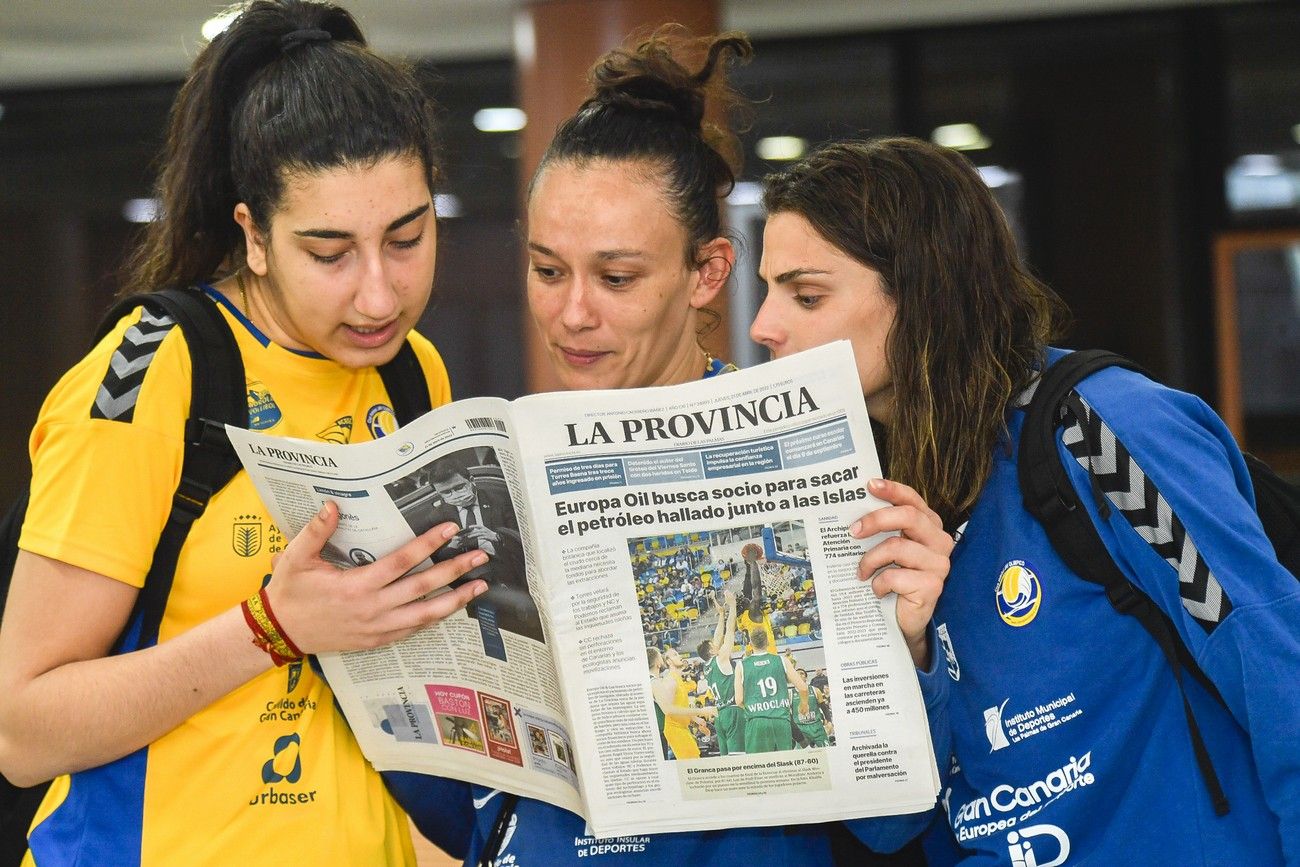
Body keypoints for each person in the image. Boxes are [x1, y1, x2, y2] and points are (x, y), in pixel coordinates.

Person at [410, 28, 950, 867]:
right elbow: (455, 809)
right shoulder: (496, 474)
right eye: (548, 271)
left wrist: (908, 645)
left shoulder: (824, 457)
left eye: (616, 278)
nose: (573, 313)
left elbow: (896, 821)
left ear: (707, 273)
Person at [0, 2, 490, 863]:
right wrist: (273, 624)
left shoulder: (415, 373)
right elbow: (23, 730)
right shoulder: (158, 373)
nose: (379, 294)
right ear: (254, 236)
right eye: (329, 253)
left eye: (407, 238)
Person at [750, 136, 1300, 865]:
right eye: (767, 289)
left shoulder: (1101, 430)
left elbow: (1276, 670)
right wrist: (907, 650)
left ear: (922, 291)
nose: (762, 325)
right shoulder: (865, 495)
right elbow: (888, 827)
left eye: (806, 293)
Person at [423, 461, 541, 641]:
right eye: (446, 492)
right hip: (471, 581)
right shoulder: (437, 516)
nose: (455, 495)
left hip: (509, 571)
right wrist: (452, 546)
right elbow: (435, 560)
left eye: (459, 487)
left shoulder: (500, 500)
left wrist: (496, 536)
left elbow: (527, 539)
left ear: (471, 481)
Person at [734, 628, 806, 754]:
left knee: (760, 769)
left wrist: (755, 708)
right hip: (781, 721)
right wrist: (804, 704)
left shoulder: (741, 665)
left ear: (750, 644)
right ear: (768, 642)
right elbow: (803, 688)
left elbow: (739, 700)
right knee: (784, 766)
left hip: (757, 722)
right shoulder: (782, 660)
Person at [649, 646, 718, 760]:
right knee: (694, 765)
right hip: (675, 730)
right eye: (675, 655)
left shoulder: (677, 678)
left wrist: (695, 719)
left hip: (682, 728)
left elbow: (679, 706)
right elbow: (669, 711)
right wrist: (702, 710)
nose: (679, 656)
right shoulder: (670, 680)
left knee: (695, 760)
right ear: (668, 661)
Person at [698, 589, 744, 755]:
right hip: (732, 711)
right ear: (711, 651)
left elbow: (717, 637)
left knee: (725, 758)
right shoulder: (720, 658)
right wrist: (732, 607)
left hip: (720, 715)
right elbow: (730, 632)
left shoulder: (707, 666)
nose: (716, 644)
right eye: (713, 646)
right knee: (738, 758)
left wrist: (721, 615)